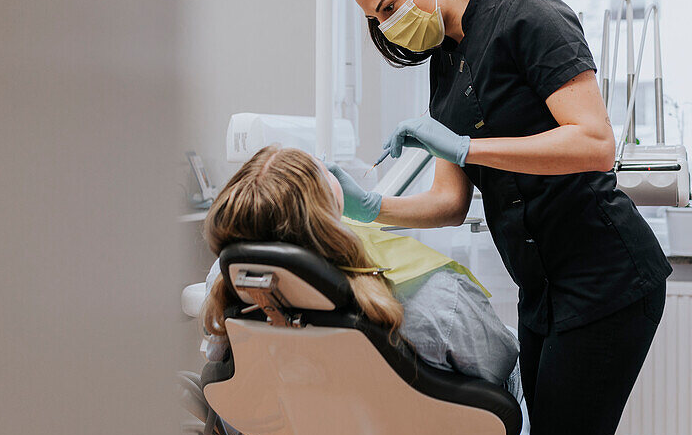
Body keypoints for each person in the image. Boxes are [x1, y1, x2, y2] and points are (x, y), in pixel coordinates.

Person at [329, 0, 672, 435]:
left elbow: (594, 143)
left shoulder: (528, 18)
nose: (386, 27)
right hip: (540, 289)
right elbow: (450, 203)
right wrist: (370, 207)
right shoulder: (445, 64)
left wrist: (467, 147)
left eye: (388, 8)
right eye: (374, 20)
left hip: (608, 279)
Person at [200, 144, 521, 396]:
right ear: (331, 203)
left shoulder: (233, 279)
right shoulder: (439, 296)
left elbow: (219, 358)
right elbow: (501, 367)